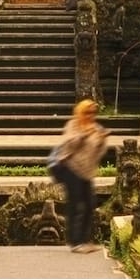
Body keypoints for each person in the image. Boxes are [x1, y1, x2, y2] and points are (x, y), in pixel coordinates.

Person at [48, 97, 108, 251]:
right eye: (87, 112)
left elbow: (99, 152)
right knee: (75, 204)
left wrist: (101, 141)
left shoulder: (97, 127)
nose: (90, 115)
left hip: (87, 172)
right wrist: (84, 135)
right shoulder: (73, 125)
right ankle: (75, 242)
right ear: (81, 112)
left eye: (93, 112)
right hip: (71, 168)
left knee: (89, 205)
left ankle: (85, 240)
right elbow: (69, 145)